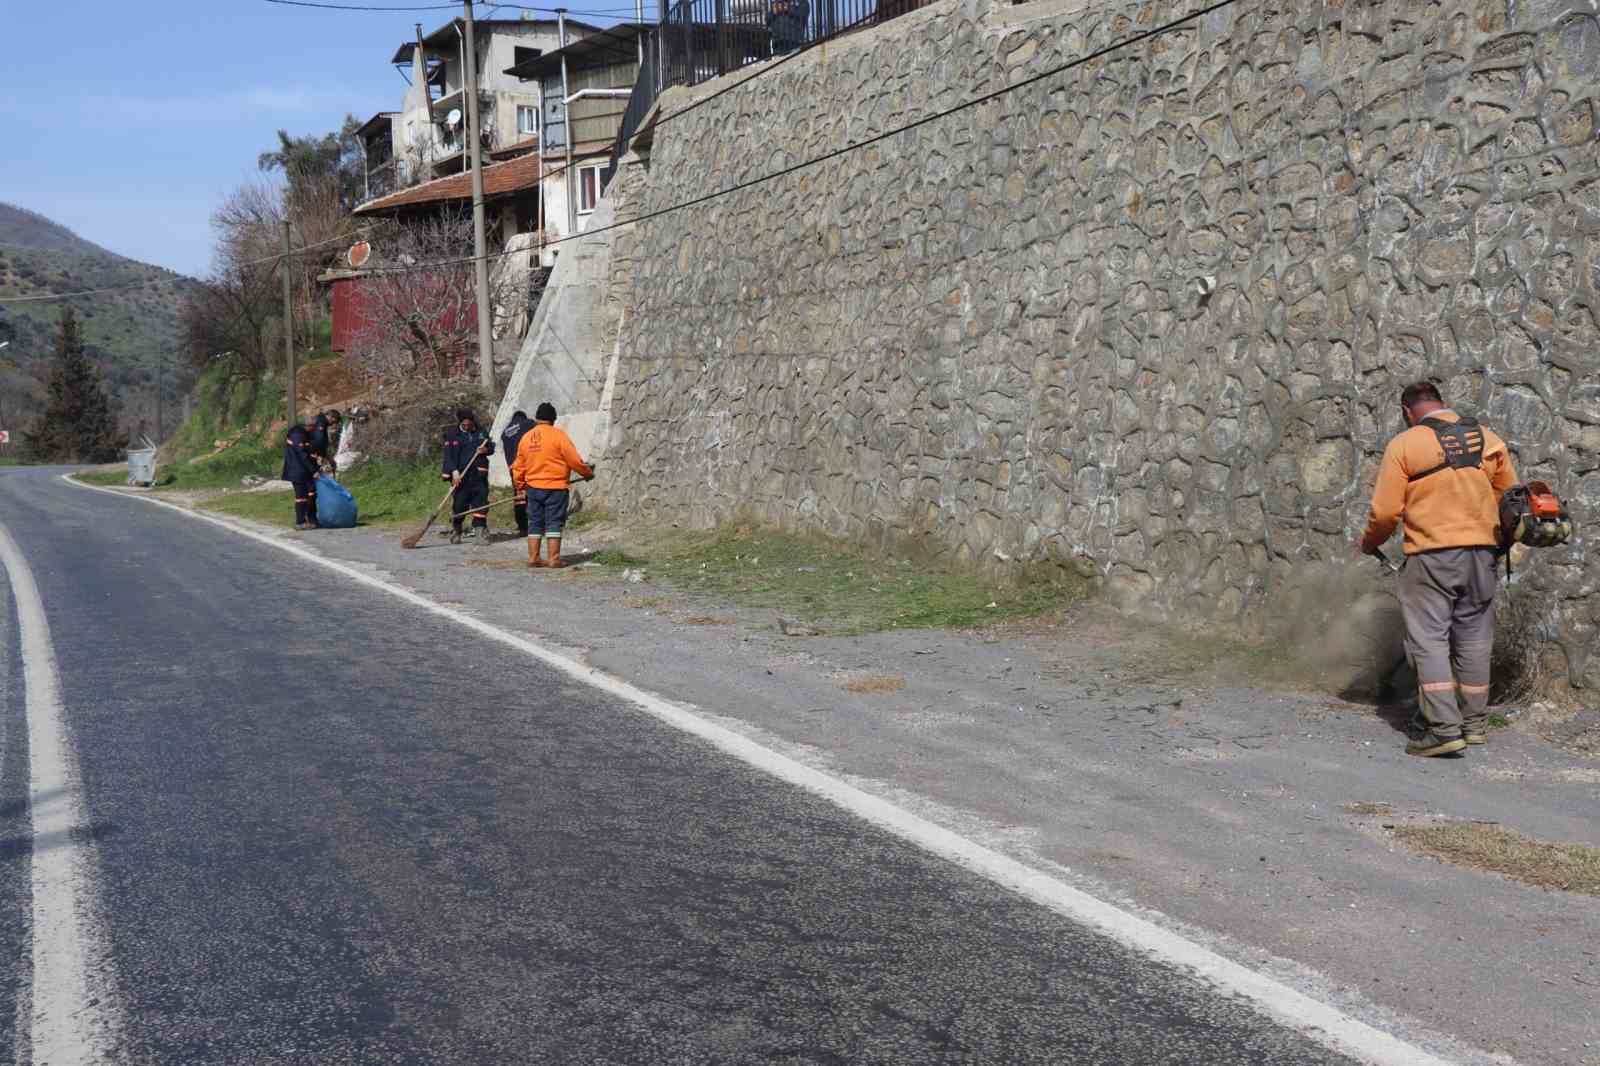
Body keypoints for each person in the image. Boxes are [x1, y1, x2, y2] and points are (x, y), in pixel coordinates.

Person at [1358, 381, 1517, 757]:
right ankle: (1474, 725)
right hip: (1482, 554)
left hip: (1433, 555)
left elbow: (1384, 512)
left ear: (1406, 411)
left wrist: (1370, 541)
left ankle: (1443, 730)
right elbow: (1510, 495)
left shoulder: (1406, 444)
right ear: (1442, 404)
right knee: (1475, 638)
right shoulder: (1487, 438)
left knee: (1429, 639)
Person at [510, 401, 593, 569]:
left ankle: (534, 558)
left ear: (537, 418)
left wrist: (520, 486)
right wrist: (587, 473)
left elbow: (518, 466)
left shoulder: (526, 438)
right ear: (553, 419)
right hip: (555, 488)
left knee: (534, 522)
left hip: (533, 488)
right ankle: (553, 559)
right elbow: (574, 460)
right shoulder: (559, 436)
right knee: (554, 522)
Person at [442, 408, 495, 545]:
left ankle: (480, 532)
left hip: (479, 474)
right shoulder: (452, 434)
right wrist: (454, 471)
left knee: (480, 503)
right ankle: (457, 529)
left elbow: (491, 447)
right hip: (461, 475)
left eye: (469, 424)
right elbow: (448, 456)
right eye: (464, 424)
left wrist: (486, 450)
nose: (467, 426)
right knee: (460, 504)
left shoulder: (481, 432)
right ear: (460, 422)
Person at [282, 411, 323, 531]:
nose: (314, 429)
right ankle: (300, 522)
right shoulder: (297, 434)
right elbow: (302, 455)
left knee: (312, 494)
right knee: (301, 496)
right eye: (313, 427)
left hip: (306, 470)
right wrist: (313, 470)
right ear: (308, 425)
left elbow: (311, 449)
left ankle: (312, 520)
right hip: (297, 471)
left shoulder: (305, 433)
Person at [499, 409, 535, 538]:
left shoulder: (505, 432)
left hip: (513, 468)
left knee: (519, 496)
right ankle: (537, 525)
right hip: (527, 464)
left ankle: (522, 527)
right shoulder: (527, 424)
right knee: (534, 492)